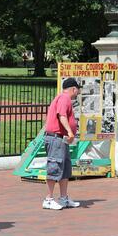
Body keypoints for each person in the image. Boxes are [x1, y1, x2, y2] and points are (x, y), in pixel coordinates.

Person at [42, 78, 82, 210]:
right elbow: (61, 115)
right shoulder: (64, 98)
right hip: (57, 138)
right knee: (55, 166)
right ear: (73, 89)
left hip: (61, 139)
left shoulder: (62, 98)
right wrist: (70, 132)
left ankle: (63, 198)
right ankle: (48, 199)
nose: (77, 93)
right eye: (77, 90)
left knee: (64, 169)